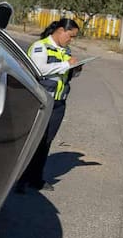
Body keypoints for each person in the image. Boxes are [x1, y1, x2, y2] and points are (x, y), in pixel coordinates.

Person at [18, 17, 81, 192]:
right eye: (71, 35)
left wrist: (75, 69)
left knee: (46, 142)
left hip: (59, 103)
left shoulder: (65, 50)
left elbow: (64, 75)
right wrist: (65, 65)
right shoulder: (40, 47)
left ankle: (36, 178)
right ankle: (20, 179)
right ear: (60, 31)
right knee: (33, 140)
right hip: (42, 101)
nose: (71, 40)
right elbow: (39, 70)